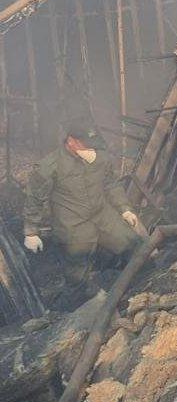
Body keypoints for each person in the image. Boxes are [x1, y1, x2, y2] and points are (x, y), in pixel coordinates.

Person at [22, 122, 143, 294]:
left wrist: (124, 208)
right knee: (78, 273)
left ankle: (133, 291)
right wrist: (31, 232)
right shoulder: (49, 167)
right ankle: (81, 307)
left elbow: (111, 184)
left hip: (103, 215)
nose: (90, 147)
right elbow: (34, 199)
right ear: (71, 141)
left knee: (133, 245)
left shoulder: (99, 157)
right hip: (73, 224)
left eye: (92, 142)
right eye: (85, 143)